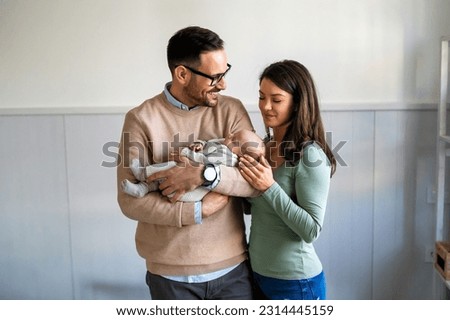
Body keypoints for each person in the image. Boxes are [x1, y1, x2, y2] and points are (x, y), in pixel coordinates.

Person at [116, 26, 259, 300]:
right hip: (169, 277)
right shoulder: (140, 119)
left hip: (233, 272)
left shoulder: (232, 111)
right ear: (182, 74)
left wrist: (206, 174)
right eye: (215, 77)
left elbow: (254, 182)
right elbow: (129, 200)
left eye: (224, 72)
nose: (224, 84)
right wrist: (196, 212)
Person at [238, 60, 336, 300]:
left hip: (296, 283)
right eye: (262, 97)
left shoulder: (310, 154)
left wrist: (269, 187)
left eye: (277, 99)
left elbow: (311, 230)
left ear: (296, 104)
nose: (266, 107)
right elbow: (253, 209)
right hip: (257, 275)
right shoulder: (265, 146)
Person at [121, 129, 265, 201]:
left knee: (171, 166)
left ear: (239, 153)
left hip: (190, 192)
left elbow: (204, 161)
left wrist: (187, 153)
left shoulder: (227, 157)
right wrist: (199, 144)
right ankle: (144, 188)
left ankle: (143, 174)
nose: (229, 135)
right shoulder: (226, 145)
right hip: (183, 187)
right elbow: (211, 143)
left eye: (234, 139)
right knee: (169, 173)